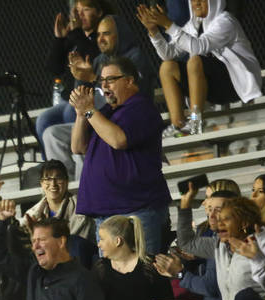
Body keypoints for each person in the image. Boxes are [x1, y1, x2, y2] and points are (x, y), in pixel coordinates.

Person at [70, 56, 171, 255]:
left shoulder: (141, 107)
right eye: (102, 81)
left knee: (144, 276)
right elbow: (78, 147)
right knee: (112, 281)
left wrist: (89, 110)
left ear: (129, 80)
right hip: (105, 215)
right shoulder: (106, 112)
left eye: (111, 79)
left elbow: (119, 140)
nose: (104, 85)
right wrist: (81, 114)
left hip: (137, 212)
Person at [43, 13, 157, 179]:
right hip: (95, 117)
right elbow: (82, 98)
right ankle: (64, 187)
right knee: (52, 135)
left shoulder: (134, 57)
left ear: (120, 35)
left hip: (123, 121)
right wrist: (81, 79)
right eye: (98, 34)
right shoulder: (99, 60)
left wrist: (93, 79)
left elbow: (130, 94)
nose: (100, 39)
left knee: (89, 139)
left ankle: (84, 186)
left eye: (106, 34)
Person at [139, 0, 261, 136]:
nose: (196, 3)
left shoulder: (225, 21)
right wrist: (154, 31)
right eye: (193, 0)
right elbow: (168, 54)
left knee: (194, 61)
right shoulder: (195, 23)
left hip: (235, 85)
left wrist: (168, 24)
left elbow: (198, 47)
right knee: (167, 68)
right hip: (212, 86)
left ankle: (195, 122)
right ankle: (178, 125)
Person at [37, 0, 105, 146]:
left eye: (85, 10)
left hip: (94, 97)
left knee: (70, 112)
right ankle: (51, 167)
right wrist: (59, 39)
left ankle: (79, 156)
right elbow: (53, 69)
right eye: (77, 11)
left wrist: (76, 33)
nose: (80, 15)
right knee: (44, 120)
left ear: (98, 12)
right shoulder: (74, 38)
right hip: (69, 98)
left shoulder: (101, 36)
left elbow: (94, 58)